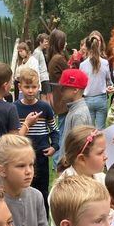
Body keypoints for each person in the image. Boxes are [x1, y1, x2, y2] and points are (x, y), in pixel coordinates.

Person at [0, 134, 50, 226]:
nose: (29, 171)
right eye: (21, 166)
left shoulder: (36, 196)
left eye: (31, 165)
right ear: (1, 170)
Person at [13, 67, 58, 212]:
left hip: (41, 157)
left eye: (34, 87)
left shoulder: (45, 107)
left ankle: (43, 218)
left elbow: (54, 130)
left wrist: (54, 146)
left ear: (39, 86)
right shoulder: (14, 108)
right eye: (27, 87)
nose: (31, 91)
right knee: (24, 189)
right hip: (22, 156)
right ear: (20, 87)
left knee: (42, 190)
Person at [49, 125, 107, 226]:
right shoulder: (63, 190)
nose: (105, 157)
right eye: (100, 153)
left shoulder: (102, 179)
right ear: (81, 159)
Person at [56, 68, 91, 158]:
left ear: (75, 90)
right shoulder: (74, 109)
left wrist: (66, 162)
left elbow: (77, 146)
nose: (61, 91)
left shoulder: (78, 114)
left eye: (64, 88)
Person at [80, 35, 113, 129]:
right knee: (101, 129)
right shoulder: (105, 63)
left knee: (88, 129)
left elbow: (81, 84)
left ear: (87, 48)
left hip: (87, 99)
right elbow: (109, 81)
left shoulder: (82, 65)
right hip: (101, 99)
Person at [47, 29, 69, 167]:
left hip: (59, 99)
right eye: (64, 41)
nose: (66, 44)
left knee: (62, 132)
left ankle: (58, 162)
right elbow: (70, 74)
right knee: (62, 134)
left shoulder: (53, 57)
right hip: (63, 100)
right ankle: (57, 163)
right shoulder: (58, 59)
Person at [0, 62, 24, 135]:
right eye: (11, 82)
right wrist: (27, 124)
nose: (11, 84)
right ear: (5, 86)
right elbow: (14, 137)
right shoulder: (10, 108)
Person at [32, 33, 50, 100]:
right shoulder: (37, 52)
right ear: (40, 42)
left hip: (45, 77)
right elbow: (34, 66)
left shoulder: (41, 51)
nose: (47, 43)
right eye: (45, 42)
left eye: (47, 42)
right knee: (44, 97)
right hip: (42, 78)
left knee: (46, 96)